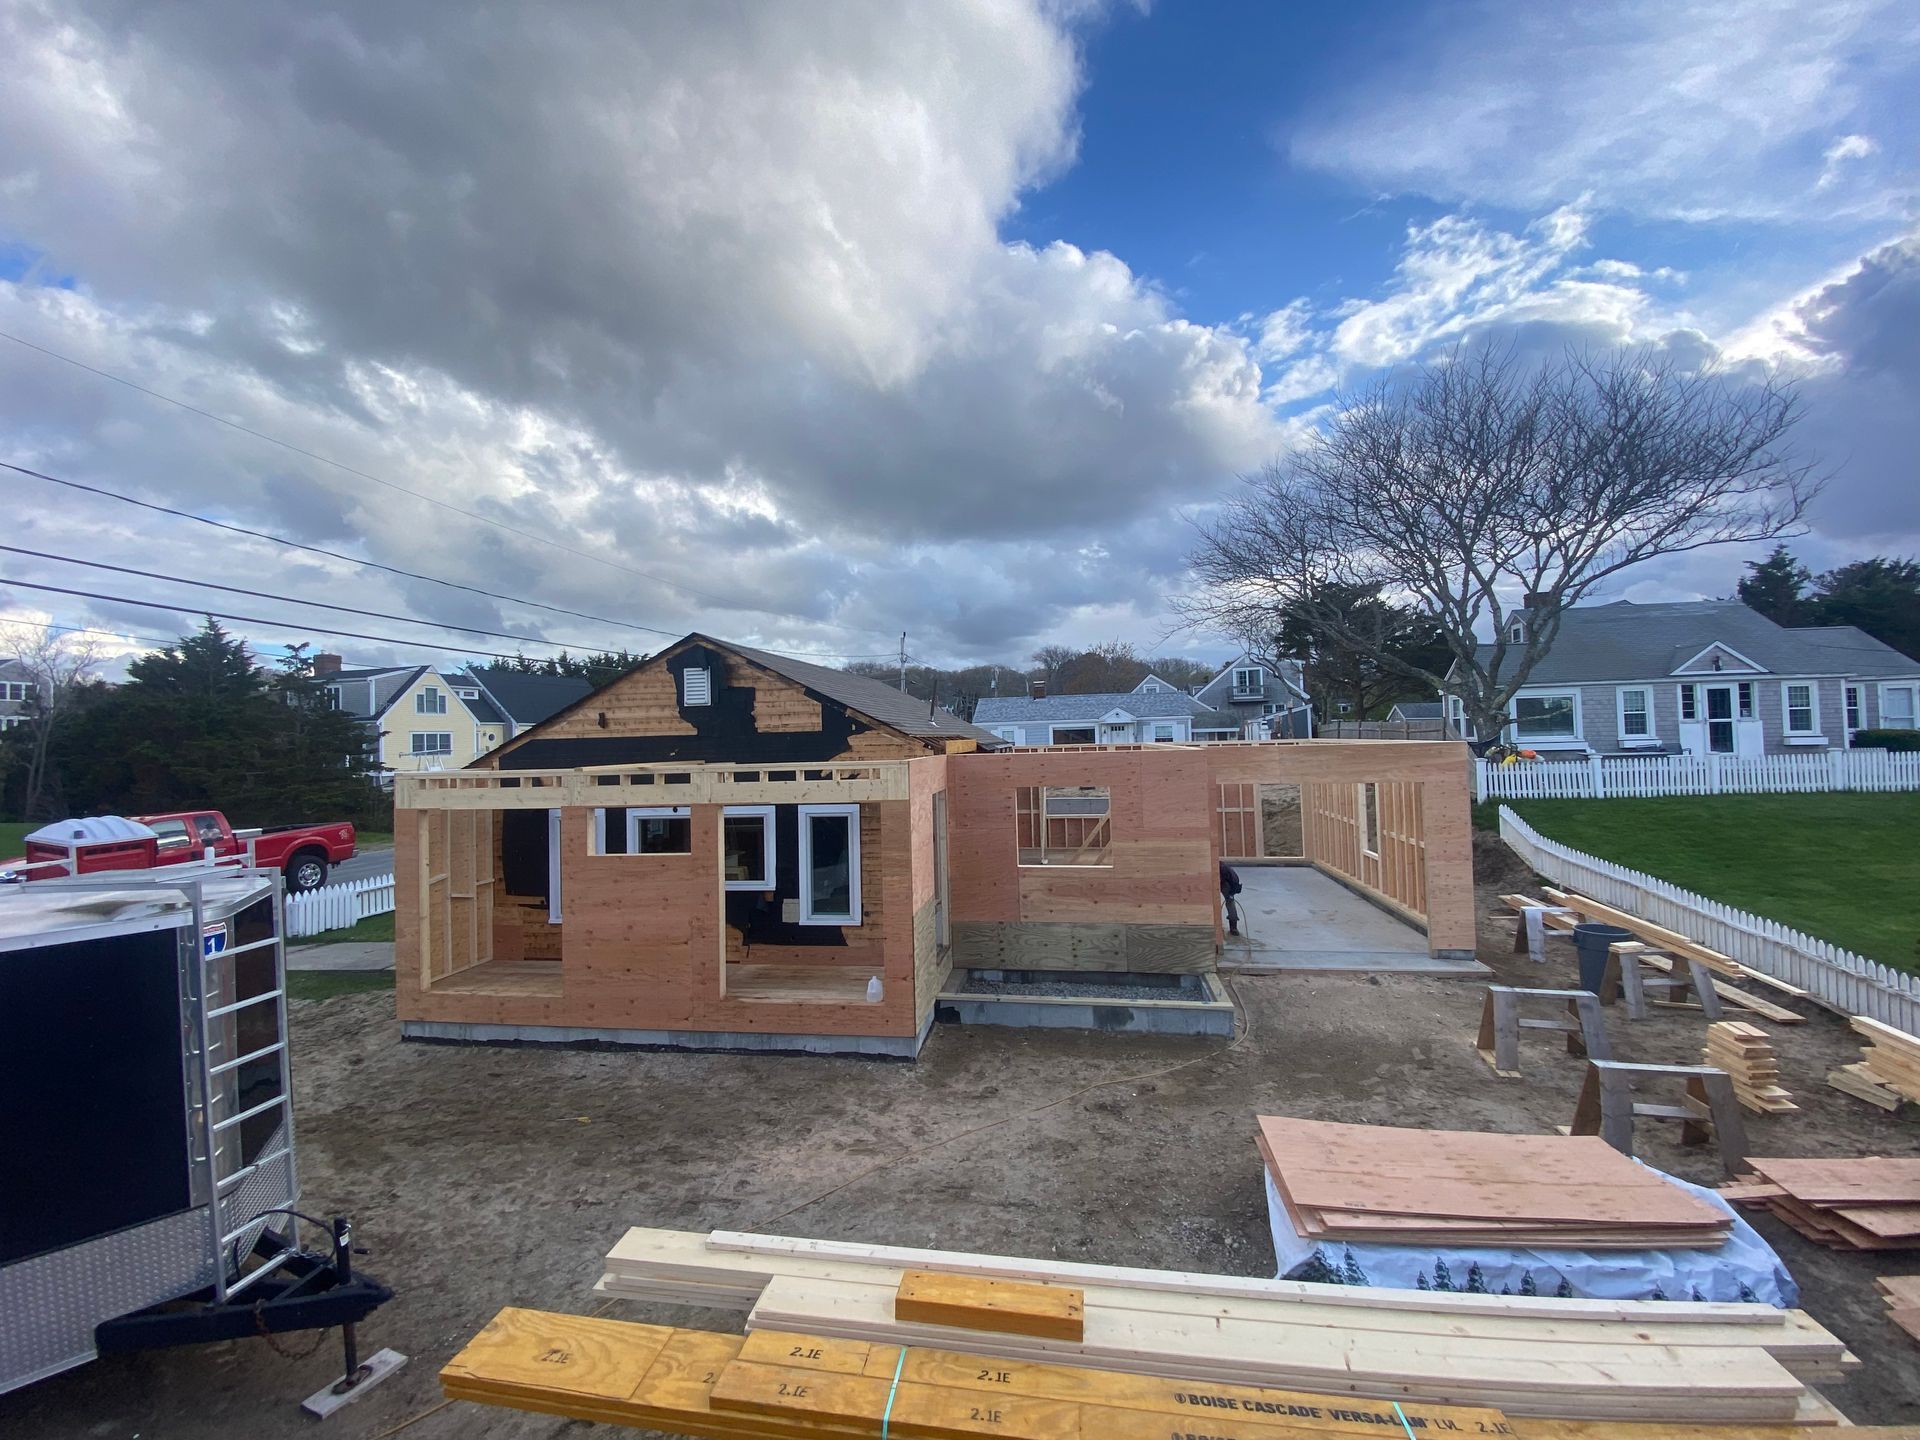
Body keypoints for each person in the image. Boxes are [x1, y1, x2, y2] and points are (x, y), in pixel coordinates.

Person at [1219, 860, 1243, 936]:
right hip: (1232, 884)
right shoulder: (1225, 867)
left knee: (1230, 902)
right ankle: (1234, 928)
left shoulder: (1222, 868)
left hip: (1228, 885)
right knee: (1230, 902)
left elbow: (1222, 881)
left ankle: (1233, 928)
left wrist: (1230, 893)